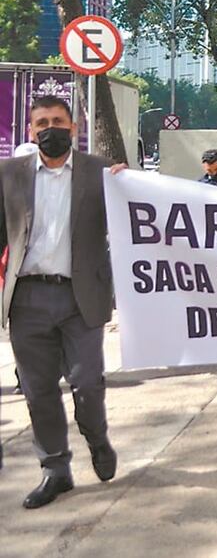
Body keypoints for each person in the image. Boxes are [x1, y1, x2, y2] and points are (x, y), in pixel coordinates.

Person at [0, 96, 125, 509]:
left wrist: (129, 184)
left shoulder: (101, 172)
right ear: (31, 130)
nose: (49, 128)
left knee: (87, 382)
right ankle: (55, 469)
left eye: (57, 121)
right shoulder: (9, 174)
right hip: (26, 298)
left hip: (80, 297)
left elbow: (136, 215)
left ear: (73, 129)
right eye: (41, 123)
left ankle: (96, 436)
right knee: (38, 392)